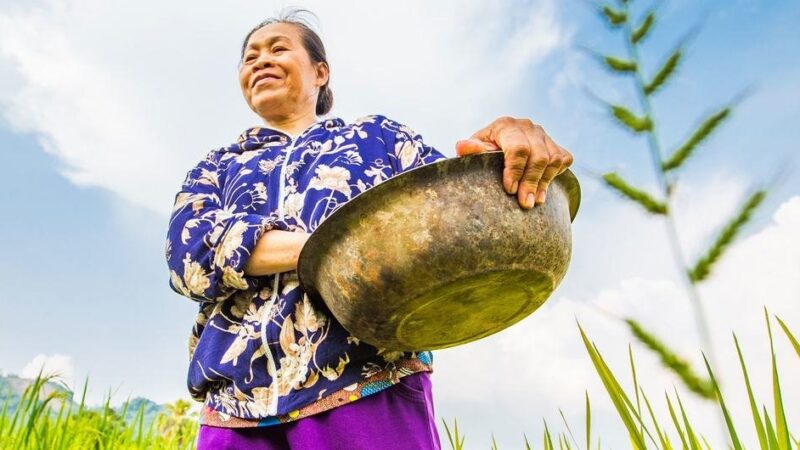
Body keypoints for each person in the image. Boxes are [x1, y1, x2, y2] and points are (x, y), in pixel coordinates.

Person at [165, 8, 573, 450]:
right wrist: (337, 248)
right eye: (249, 57)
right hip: (234, 408)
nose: (260, 61)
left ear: (320, 72)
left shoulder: (377, 140)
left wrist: (502, 147)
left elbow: (454, 211)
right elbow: (188, 255)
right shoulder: (217, 167)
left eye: (278, 48)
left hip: (368, 383)